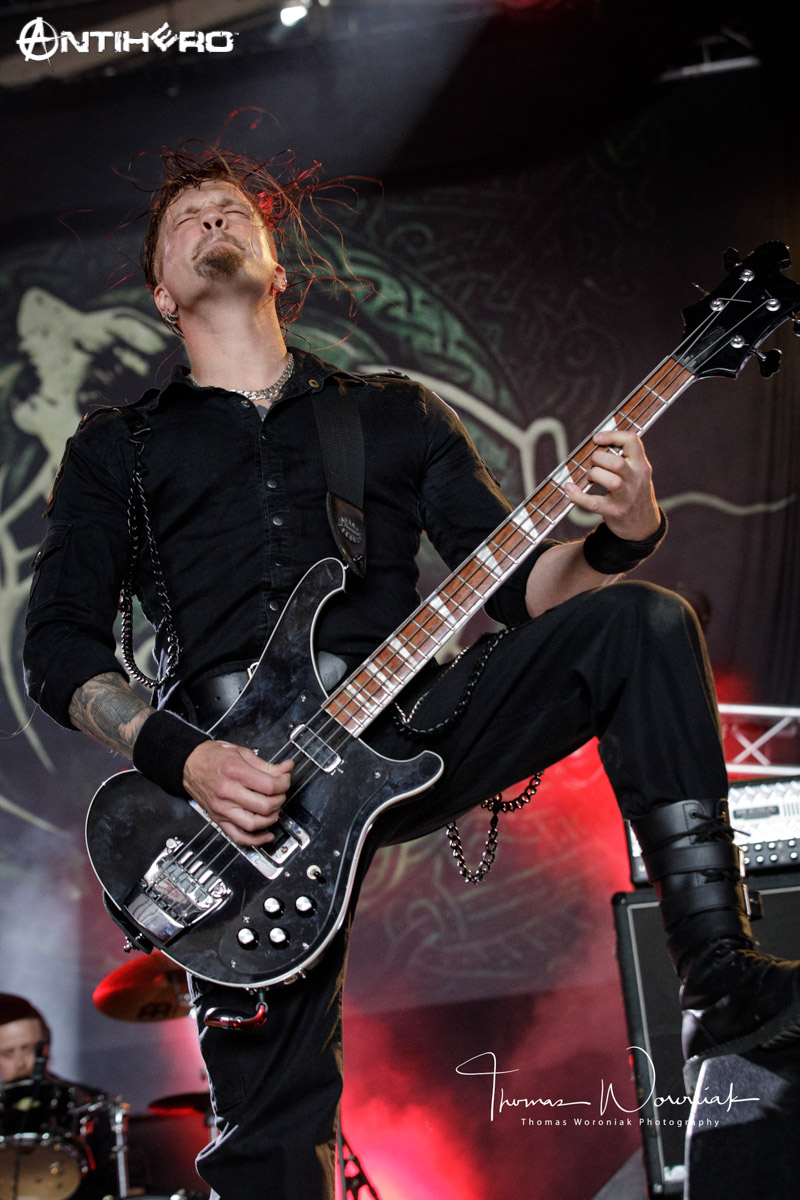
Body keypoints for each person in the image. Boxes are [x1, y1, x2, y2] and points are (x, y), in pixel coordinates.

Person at [22, 147, 800, 1200]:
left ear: (276, 267)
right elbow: (59, 649)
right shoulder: (117, 448)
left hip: (402, 718)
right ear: (162, 291)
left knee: (641, 624)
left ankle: (717, 975)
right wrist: (188, 760)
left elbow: (523, 591)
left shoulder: (392, 413)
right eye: (186, 218)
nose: (213, 218)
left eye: (233, 210)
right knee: (269, 1140)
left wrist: (623, 531)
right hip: (234, 802)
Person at [0, 994, 116, 1200]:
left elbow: (118, 1185)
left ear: (46, 1046)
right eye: (8, 1053)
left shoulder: (88, 1103)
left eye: (29, 1049)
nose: (20, 1062)